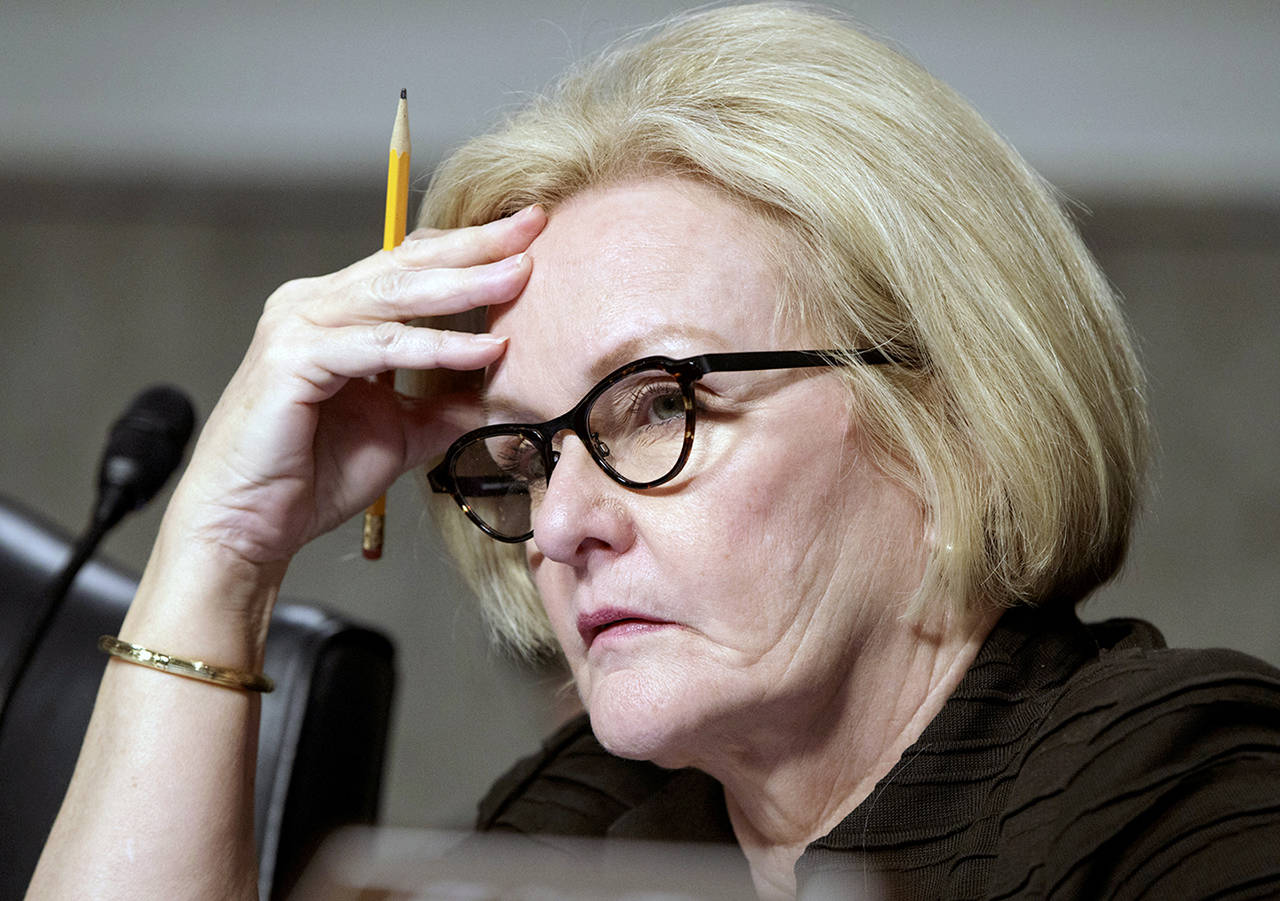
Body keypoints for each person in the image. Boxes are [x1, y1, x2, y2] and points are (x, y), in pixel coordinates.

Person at [29, 4, 1280, 899]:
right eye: (519, 453)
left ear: (947, 429)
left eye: (658, 404)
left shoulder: (1190, 795)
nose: (563, 523)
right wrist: (219, 555)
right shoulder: (605, 823)